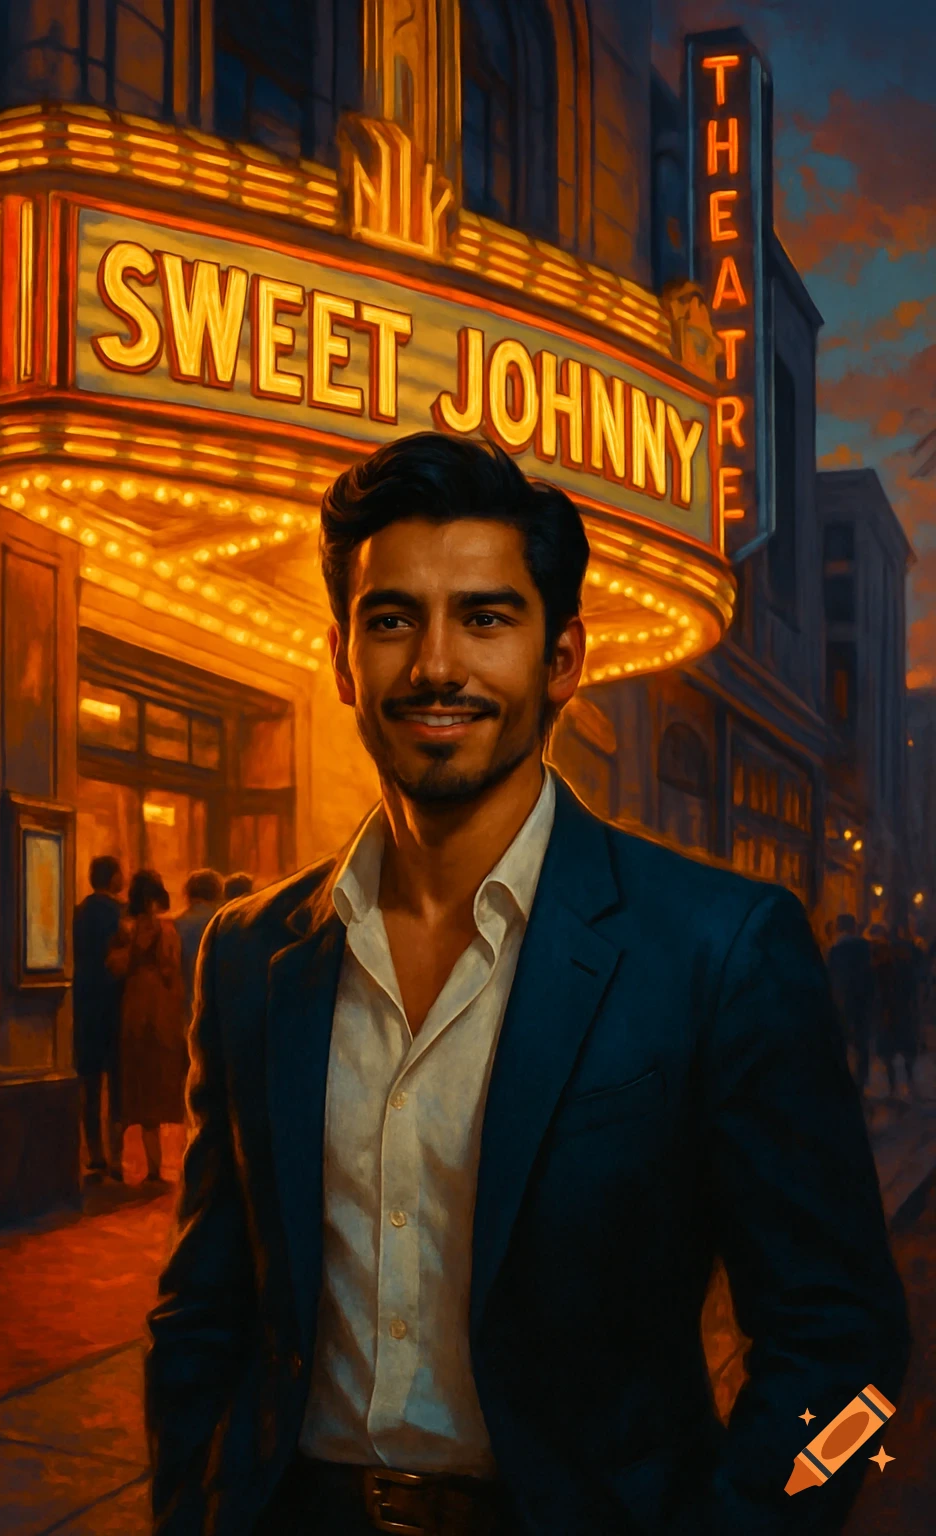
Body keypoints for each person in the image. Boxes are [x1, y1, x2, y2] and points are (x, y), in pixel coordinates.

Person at [146, 433, 910, 1536]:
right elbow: (204, 1306)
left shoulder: (717, 948)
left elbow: (849, 1355)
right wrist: (189, 1502)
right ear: (339, 654)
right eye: (393, 617)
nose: (436, 665)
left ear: (563, 660)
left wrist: (751, 1522)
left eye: (486, 618)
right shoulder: (252, 955)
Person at [108, 868, 187, 1184]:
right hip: (159, 1012)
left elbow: (115, 967)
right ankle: (157, 1167)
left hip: (133, 1010)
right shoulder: (165, 932)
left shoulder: (124, 931)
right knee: (160, 1084)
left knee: (135, 1085)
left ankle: (125, 1161)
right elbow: (171, 969)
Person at [72, 855, 125, 1181]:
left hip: (84, 998)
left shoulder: (79, 911)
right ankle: (116, 1156)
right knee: (117, 1082)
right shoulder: (117, 914)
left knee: (89, 1083)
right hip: (114, 1001)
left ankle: (94, 1153)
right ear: (114, 878)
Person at [826, 913, 875, 1095]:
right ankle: (861, 1081)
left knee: (842, 1042)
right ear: (854, 927)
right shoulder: (864, 947)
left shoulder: (834, 950)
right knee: (862, 1043)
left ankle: (842, 1082)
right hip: (861, 1000)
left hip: (841, 1002)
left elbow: (828, 978)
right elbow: (871, 975)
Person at [174, 869, 224, 1015]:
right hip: (215, 1000)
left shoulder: (175, 924)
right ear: (217, 893)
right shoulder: (222, 922)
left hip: (183, 1002)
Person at [891, 926, 925, 1098]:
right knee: (904, 1046)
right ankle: (902, 1083)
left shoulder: (894, 969)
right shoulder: (905, 969)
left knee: (903, 1046)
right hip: (899, 1010)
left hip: (898, 1010)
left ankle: (898, 1085)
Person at [868, 923, 900, 1097]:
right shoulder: (889, 960)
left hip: (883, 1006)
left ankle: (889, 1086)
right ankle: (890, 1086)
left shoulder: (880, 963)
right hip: (883, 1006)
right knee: (883, 1048)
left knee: (884, 1048)